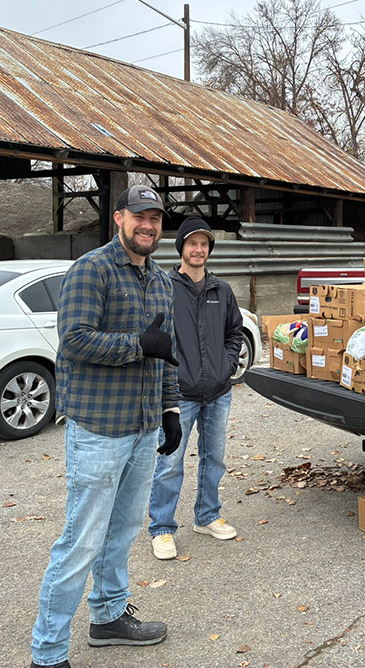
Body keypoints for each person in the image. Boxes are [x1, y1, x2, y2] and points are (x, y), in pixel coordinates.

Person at [30, 185, 183, 668]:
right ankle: (48, 653)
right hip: (98, 428)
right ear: (119, 218)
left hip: (142, 429)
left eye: (156, 218)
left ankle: (108, 616)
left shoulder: (161, 280)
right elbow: (74, 340)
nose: (149, 226)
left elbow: (167, 354)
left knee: (122, 531)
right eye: (140, 216)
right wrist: (138, 344)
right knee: (82, 539)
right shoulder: (91, 269)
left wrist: (171, 411)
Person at [148, 216, 243, 560]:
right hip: (179, 393)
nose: (198, 250)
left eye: (204, 244)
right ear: (182, 248)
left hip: (218, 391)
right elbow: (155, 337)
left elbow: (234, 333)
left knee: (213, 457)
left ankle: (207, 516)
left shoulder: (222, 290)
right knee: (170, 461)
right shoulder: (165, 287)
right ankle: (161, 528)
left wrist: (226, 365)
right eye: (192, 243)